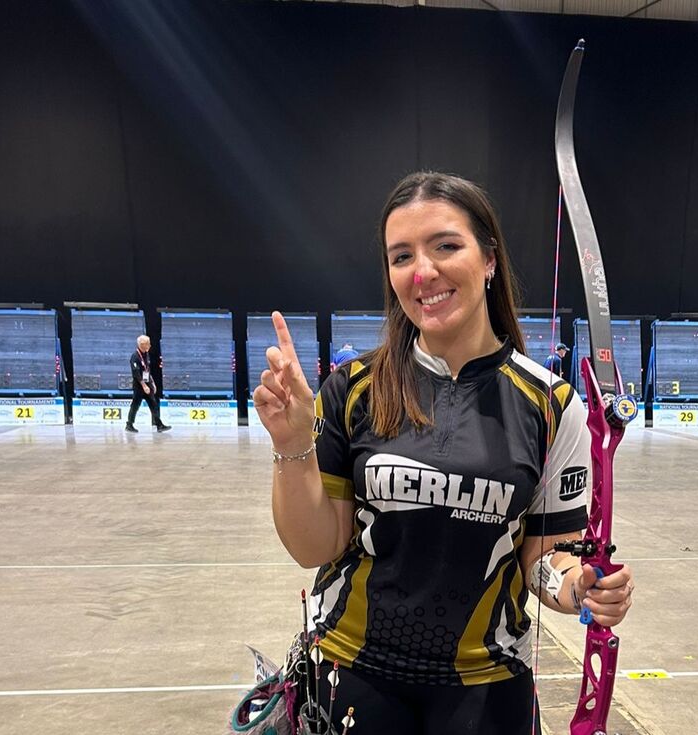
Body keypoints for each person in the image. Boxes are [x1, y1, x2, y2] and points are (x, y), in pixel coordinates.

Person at [252, 172, 633, 734]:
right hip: (353, 678)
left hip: (486, 690)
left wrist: (578, 587)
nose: (422, 272)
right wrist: (292, 444)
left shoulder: (551, 405)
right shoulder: (353, 387)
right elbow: (316, 546)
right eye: (401, 256)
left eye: (446, 246)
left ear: (489, 260)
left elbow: (543, 559)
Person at [125, 335, 170, 433]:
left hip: (147, 384)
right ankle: (129, 424)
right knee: (135, 405)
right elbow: (136, 373)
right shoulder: (135, 356)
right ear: (142, 344)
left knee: (154, 404)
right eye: (148, 343)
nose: (150, 345)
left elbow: (147, 370)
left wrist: (152, 383)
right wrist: (143, 385)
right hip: (139, 386)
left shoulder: (146, 354)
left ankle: (159, 425)